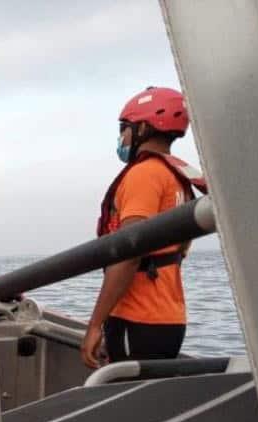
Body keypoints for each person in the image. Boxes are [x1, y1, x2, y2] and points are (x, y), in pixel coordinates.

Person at [82, 87, 207, 369]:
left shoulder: (145, 175)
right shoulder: (177, 178)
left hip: (138, 318)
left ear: (142, 128)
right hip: (169, 317)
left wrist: (94, 325)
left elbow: (130, 252)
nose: (121, 138)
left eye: (124, 129)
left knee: (125, 406)